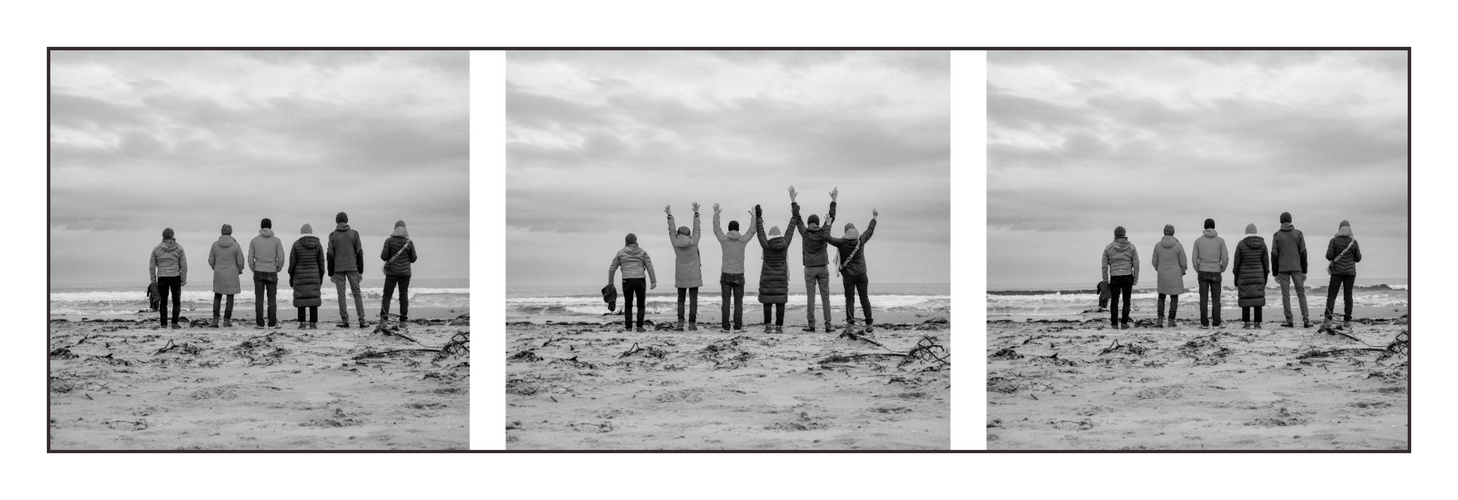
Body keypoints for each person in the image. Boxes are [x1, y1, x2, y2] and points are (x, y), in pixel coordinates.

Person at [790, 186, 837, 333]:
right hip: (823, 267)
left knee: (810, 297)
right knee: (825, 297)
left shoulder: (805, 232)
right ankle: (828, 325)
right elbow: (831, 218)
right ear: (817, 223)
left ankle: (811, 325)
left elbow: (797, 218)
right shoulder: (824, 232)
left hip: (809, 269)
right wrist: (834, 200)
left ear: (810, 223)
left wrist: (793, 200)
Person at [827, 208, 878, 334]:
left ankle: (850, 326)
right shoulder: (861, 240)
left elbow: (826, 237)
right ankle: (869, 324)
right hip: (861, 274)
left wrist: (828, 224)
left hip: (848, 276)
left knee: (849, 300)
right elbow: (870, 230)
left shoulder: (841, 243)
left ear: (845, 233)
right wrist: (874, 218)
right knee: (864, 298)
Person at [712, 203, 754, 333]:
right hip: (739, 274)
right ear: (738, 229)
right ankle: (737, 327)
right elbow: (752, 231)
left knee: (725, 302)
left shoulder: (724, 240)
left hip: (725, 274)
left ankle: (725, 327)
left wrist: (716, 214)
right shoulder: (742, 240)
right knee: (738, 303)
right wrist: (753, 216)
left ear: (729, 229)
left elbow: (716, 229)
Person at [754, 205, 795, 333]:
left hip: (767, 280)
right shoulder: (785, 244)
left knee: (767, 302)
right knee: (780, 303)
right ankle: (779, 327)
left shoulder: (766, 245)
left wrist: (759, 217)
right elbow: (790, 229)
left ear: (770, 235)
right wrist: (794, 215)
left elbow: (760, 232)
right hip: (781, 279)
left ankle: (767, 327)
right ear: (780, 235)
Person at [608, 233, 657, 332]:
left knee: (628, 304)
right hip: (640, 280)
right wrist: (653, 281)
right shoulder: (642, 252)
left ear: (626, 242)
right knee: (641, 304)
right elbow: (649, 266)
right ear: (636, 241)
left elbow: (612, 268)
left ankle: (629, 327)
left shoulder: (620, 253)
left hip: (627, 280)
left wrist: (611, 282)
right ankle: (639, 326)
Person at [665, 204, 703, 331]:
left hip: (681, 275)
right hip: (694, 275)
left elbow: (671, 230)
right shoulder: (694, 242)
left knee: (681, 299)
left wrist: (669, 215)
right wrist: (696, 213)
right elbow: (697, 229)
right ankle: (692, 323)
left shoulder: (675, 242)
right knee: (693, 300)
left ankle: (680, 322)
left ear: (678, 234)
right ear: (689, 234)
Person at [1271, 211, 1311, 328]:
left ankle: (1289, 320)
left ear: (1281, 221)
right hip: (1297, 268)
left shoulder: (1277, 235)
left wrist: (1275, 273)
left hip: (1283, 268)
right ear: (1290, 220)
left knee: (1285, 294)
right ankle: (1306, 320)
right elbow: (1303, 253)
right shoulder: (1298, 234)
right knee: (1301, 293)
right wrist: (1304, 270)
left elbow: (1274, 255)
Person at [328, 211, 367, 329]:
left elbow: (330, 255)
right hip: (352, 267)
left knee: (341, 295)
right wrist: (360, 270)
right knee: (357, 294)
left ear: (336, 221)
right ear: (346, 220)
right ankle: (362, 320)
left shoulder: (333, 235)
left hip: (338, 268)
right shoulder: (354, 234)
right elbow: (359, 253)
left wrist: (330, 273)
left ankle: (345, 321)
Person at [1323, 220, 1363, 331]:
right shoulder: (1353, 242)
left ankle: (1328, 320)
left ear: (1339, 228)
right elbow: (1358, 258)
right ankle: (1347, 321)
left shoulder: (1334, 241)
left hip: (1336, 272)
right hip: (1350, 273)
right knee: (1348, 296)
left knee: (1332, 295)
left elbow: (1329, 256)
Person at [1189, 218, 1229, 328]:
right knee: (1216, 299)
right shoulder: (1220, 241)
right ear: (1214, 226)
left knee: (1203, 299)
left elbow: (1194, 258)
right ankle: (1216, 323)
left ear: (1204, 227)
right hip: (1216, 270)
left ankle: (1204, 323)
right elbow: (1225, 257)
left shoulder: (1198, 241)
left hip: (1203, 270)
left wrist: (1198, 268)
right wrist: (1222, 268)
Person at [380, 220, 418, 332]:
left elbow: (383, 256)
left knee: (387, 296)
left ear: (395, 228)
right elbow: (414, 259)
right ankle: (403, 322)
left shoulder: (389, 241)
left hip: (391, 273)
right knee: (403, 296)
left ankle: (383, 320)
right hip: (405, 273)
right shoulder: (409, 242)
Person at [248, 218, 286, 329]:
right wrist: (278, 268)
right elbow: (281, 257)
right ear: (270, 226)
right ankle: (272, 323)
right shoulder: (276, 240)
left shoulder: (254, 241)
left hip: (259, 270)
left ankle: (260, 324)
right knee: (272, 299)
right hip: (271, 271)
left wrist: (253, 268)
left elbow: (250, 257)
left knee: (259, 299)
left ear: (261, 227)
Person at [1232, 223, 1270, 329]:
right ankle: (1257, 323)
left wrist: (1236, 276)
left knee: (1245, 298)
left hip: (1244, 275)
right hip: (1259, 274)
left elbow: (1237, 263)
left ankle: (1246, 323)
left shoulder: (1241, 244)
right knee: (1258, 298)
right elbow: (1266, 263)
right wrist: (1265, 276)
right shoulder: (1262, 244)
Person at [289, 223, 327, 330]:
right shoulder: (318, 244)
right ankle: (313, 323)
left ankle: (301, 323)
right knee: (313, 299)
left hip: (299, 275)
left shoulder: (296, 245)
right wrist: (320, 276)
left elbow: (292, 263)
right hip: (314, 275)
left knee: (301, 298)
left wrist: (291, 276)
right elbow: (321, 263)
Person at [207, 223, 244, 328]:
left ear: (221, 232)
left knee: (217, 295)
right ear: (231, 232)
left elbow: (211, 260)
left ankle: (215, 319)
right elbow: (240, 261)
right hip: (232, 272)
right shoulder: (235, 245)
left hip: (219, 272)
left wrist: (216, 267)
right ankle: (227, 320)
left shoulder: (215, 245)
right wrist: (239, 270)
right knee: (230, 295)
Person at [149, 227, 187, 329]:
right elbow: (184, 265)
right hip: (175, 277)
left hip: (162, 277)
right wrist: (183, 278)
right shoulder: (179, 248)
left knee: (163, 302)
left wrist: (153, 280)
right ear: (173, 236)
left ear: (163, 236)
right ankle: (174, 323)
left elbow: (152, 266)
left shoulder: (156, 249)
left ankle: (164, 324)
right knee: (176, 301)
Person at [1151, 224, 1188, 328]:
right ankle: (1171, 320)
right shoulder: (1178, 246)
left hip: (1162, 273)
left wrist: (1159, 268)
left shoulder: (1158, 245)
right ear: (1173, 232)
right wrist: (1182, 271)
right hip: (1175, 273)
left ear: (1164, 232)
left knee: (1161, 296)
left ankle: (1160, 319)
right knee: (1174, 296)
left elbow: (1154, 261)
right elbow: (1183, 261)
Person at [1101, 226, 1138, 329]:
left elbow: (1104, 266)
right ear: (1125, 234)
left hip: (1115, 277)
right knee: (1127, 301)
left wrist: (1105, 280)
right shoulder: (1131, 247)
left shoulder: (1108, 248)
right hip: (1127, 276)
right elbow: (1136, 264)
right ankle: (1124, 323)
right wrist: (1135, 278)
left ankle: (1114, 324)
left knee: (1114, 301)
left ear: (1115, 235)